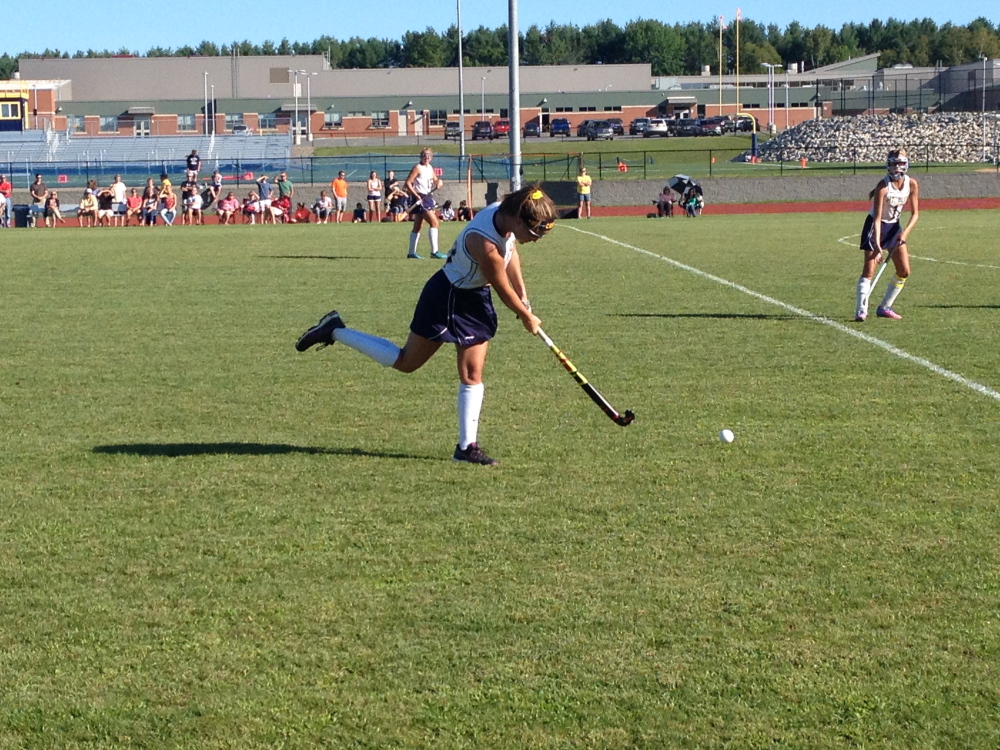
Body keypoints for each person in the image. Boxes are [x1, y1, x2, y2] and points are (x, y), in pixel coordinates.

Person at [295, 184, 558, 466]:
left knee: (472, 373)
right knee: (406, 362)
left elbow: (512, 254)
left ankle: (466, 448)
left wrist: (525, 300)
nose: (537, 240)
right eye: (535, 233)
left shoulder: (506, 215)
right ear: (520, 219)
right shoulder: (485, 243)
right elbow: (500, 283)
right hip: (447, 295)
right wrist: (524, 315)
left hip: (474, 297)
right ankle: (336, 330)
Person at [854, 148, 920, 322]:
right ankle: (861, 309)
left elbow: (915, 214)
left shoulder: (911, 184)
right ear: (888, 165)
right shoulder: (883, 187)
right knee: (869, 270)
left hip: (894, 227)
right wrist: (877, 245)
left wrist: (904, 233)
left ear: (906, 165)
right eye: (893, 164)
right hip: (875, 227)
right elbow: (876, 219)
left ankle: (884, 307)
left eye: (900, 163)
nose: (897, 167)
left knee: (904, 270)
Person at [404, 148, 446, 259]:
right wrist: (416, 195)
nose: (426, 158)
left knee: (418, 226)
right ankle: (434, 252)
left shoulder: (430, 168)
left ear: (431, 157)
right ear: (421, 156)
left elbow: (435, 180)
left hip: (428, 197)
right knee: (435, 223)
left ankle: (411, 253)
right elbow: (408, 183)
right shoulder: (417, 168)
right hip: (421, 197)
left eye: (428, 156)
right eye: (424, 156)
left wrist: (439, 182)